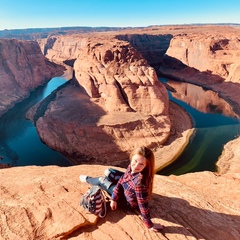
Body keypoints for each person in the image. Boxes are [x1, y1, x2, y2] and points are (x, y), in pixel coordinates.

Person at [79, 146, 164, 232]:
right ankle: (107, 184)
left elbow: (143, 206)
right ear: (132, 157)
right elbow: (123, 179)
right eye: (135, 161)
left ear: (146, 166)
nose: (136, 166)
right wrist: (114, 197)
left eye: (141, 164)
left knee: (102, 180)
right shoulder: (132, 167)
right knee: (108, 171)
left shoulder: (140, 184)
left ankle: (89, 180)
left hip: (125, 200)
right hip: (127, 186)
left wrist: (149, 225)